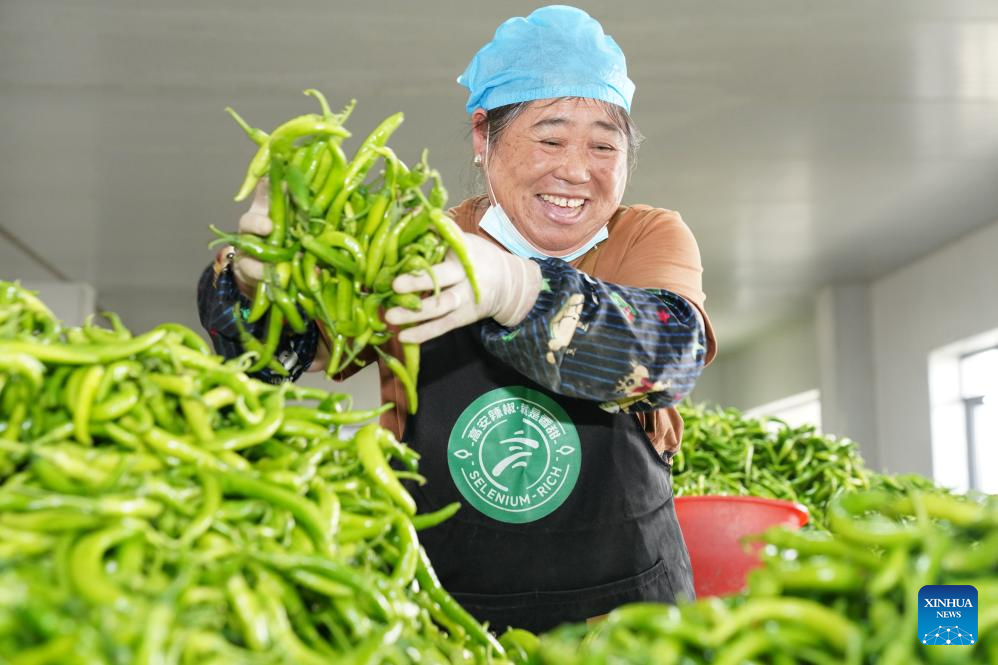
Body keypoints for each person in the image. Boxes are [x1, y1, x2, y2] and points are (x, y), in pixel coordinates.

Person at [197, 5, 716, 633]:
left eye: (604, 145)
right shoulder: (418, 244)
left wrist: (520, 288)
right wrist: (255, 285)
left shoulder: (645, 236)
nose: (577, 170)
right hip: (446, 616)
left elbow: (669, 355)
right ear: (482, 138)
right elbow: (282, 357)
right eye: (549, 138)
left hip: (626, 617)